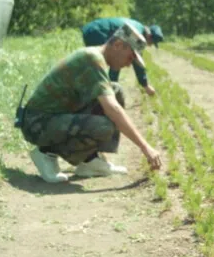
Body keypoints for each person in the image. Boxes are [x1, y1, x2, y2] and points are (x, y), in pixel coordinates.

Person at [20, 23, 162, 183]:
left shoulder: (95, 57)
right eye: (130, 57)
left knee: (116, 91)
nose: (129, 64)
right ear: (118, 45)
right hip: (37, 123)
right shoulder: (92, 59)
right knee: (104, 125)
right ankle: (45, 152)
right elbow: (112, 109)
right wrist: (145, 147)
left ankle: (89, 161)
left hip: (52, 117)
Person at [81, 17, 164, 96]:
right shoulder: (137, 35)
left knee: (98, 64)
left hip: (93, 29)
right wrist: (145, 85)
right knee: (99, 64)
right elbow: (122, 59)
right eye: (151, 43)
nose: (150, 45)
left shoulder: (139, 28)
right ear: (149, 36)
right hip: (97, 32)